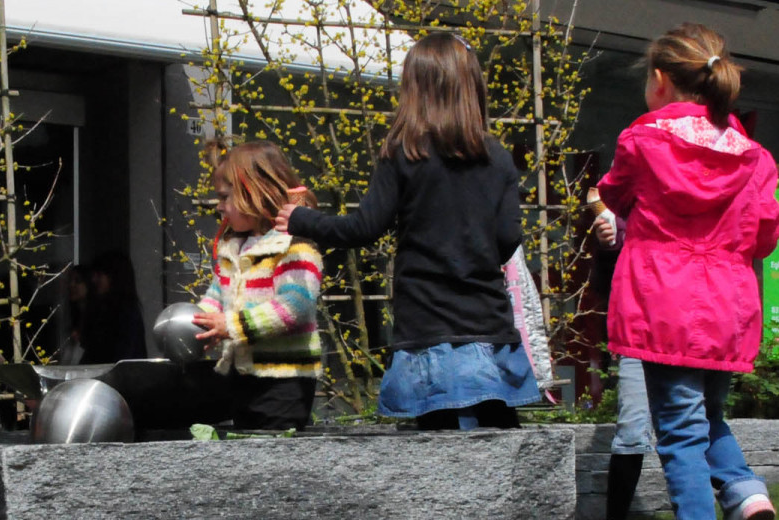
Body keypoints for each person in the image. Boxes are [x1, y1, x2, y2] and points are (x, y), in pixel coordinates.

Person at [597, 23, 779, 520]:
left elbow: (614, 193)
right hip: (727, 304)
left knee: (679, 429)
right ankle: (744, 492)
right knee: (708, 415)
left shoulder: (642, 140)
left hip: (664, 301)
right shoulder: (754, 156)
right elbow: (766, 233)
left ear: (660, 80)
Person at [278, 31, 534, 430]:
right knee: (498, 444)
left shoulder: (405, 151)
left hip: (428, 328)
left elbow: (363, 227)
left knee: (441, 450)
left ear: (416, 88)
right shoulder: (497, 156)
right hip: (488, 329)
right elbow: (507, 239)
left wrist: (301, 219)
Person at [193, 140, 324, 430]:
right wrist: (199, 322)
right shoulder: (233, 246)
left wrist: (231, 326)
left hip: (284, 382)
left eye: (225, 197)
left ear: (254, 193)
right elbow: (217, 295)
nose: (219, 206)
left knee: (274, 448)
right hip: (241, 378)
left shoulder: (293, 243)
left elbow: (294, 307)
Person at [578, 205, 656, 520]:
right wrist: (609, 247)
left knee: (684, 429)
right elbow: (604, 286)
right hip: (638, 332)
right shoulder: (620, 211)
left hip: (684, 331)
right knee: (631, 428)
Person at [78, 250, 148, 363]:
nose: (94, 280)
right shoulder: (101, 310)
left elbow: (124, 358)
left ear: (114, 277)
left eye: (99, 275)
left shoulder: (126, 313)